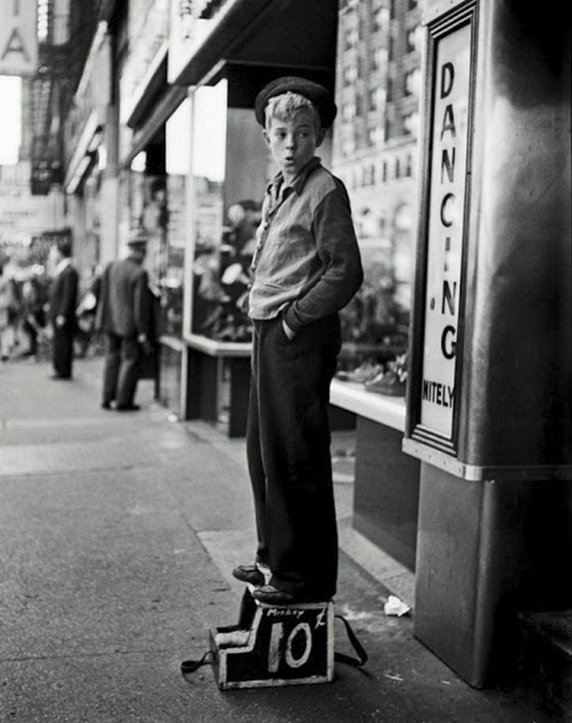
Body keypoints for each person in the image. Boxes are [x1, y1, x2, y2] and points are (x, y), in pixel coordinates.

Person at [232, 77, 364, 605]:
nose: (292, 143)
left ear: (319, 137)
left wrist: (293, 319)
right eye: (282, 133)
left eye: (304, 133)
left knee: (295, 456)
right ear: (267, 135)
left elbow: (345, 271)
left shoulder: (324, 190)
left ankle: (301, 577)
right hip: (271, 332)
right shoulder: (278, 191)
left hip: (297, 337)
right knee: (263, 451)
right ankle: (273, 557)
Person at [95, 229, 153, 411]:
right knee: (129, 361)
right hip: (129, 326)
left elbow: (102, 295)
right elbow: (139, 307)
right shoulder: (139, 273)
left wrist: (101, 319)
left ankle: (106, 397)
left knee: (111, 359)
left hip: (110, 321)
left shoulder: (112, 266)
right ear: (141, 252)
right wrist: (143, 332)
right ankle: (123, 400)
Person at [47, 238, 79, 379]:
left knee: (63, 342)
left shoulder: (69, 271)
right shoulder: (62, 270)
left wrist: (62, 314)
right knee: (59, 342)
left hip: (62, 315)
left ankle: (63, 370)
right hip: (58, 313)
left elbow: (68, 295)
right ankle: (59, 368)